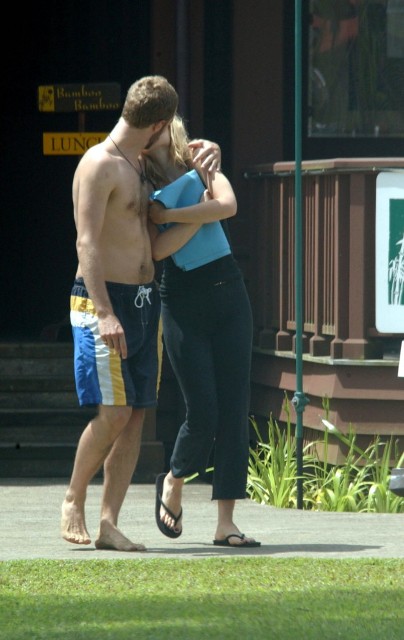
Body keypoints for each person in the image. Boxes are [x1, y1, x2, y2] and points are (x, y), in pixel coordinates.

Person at [61, 76, 221, 552]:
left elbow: (188, 168)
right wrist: (105, 312)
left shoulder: (144, 162)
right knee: (114, 413)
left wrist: (211, 151)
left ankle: (109, 523)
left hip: (145, 300)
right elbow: (86, 242)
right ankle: (72, 498)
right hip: (102, 302)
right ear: (158, 123)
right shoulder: (99, 164)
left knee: (135, 418)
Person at [145, 115, 261, 547]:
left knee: (234, 407)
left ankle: (225, 522)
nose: (150, 129)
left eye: (157, 121)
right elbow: (159, 248)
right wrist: (201, 210)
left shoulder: (202, 157)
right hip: (181, 300)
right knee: (203, 410)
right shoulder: (139, 178)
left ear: (169, 125)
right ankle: (174, 480)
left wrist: (172, 215)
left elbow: (226, 205)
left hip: (228, 291)